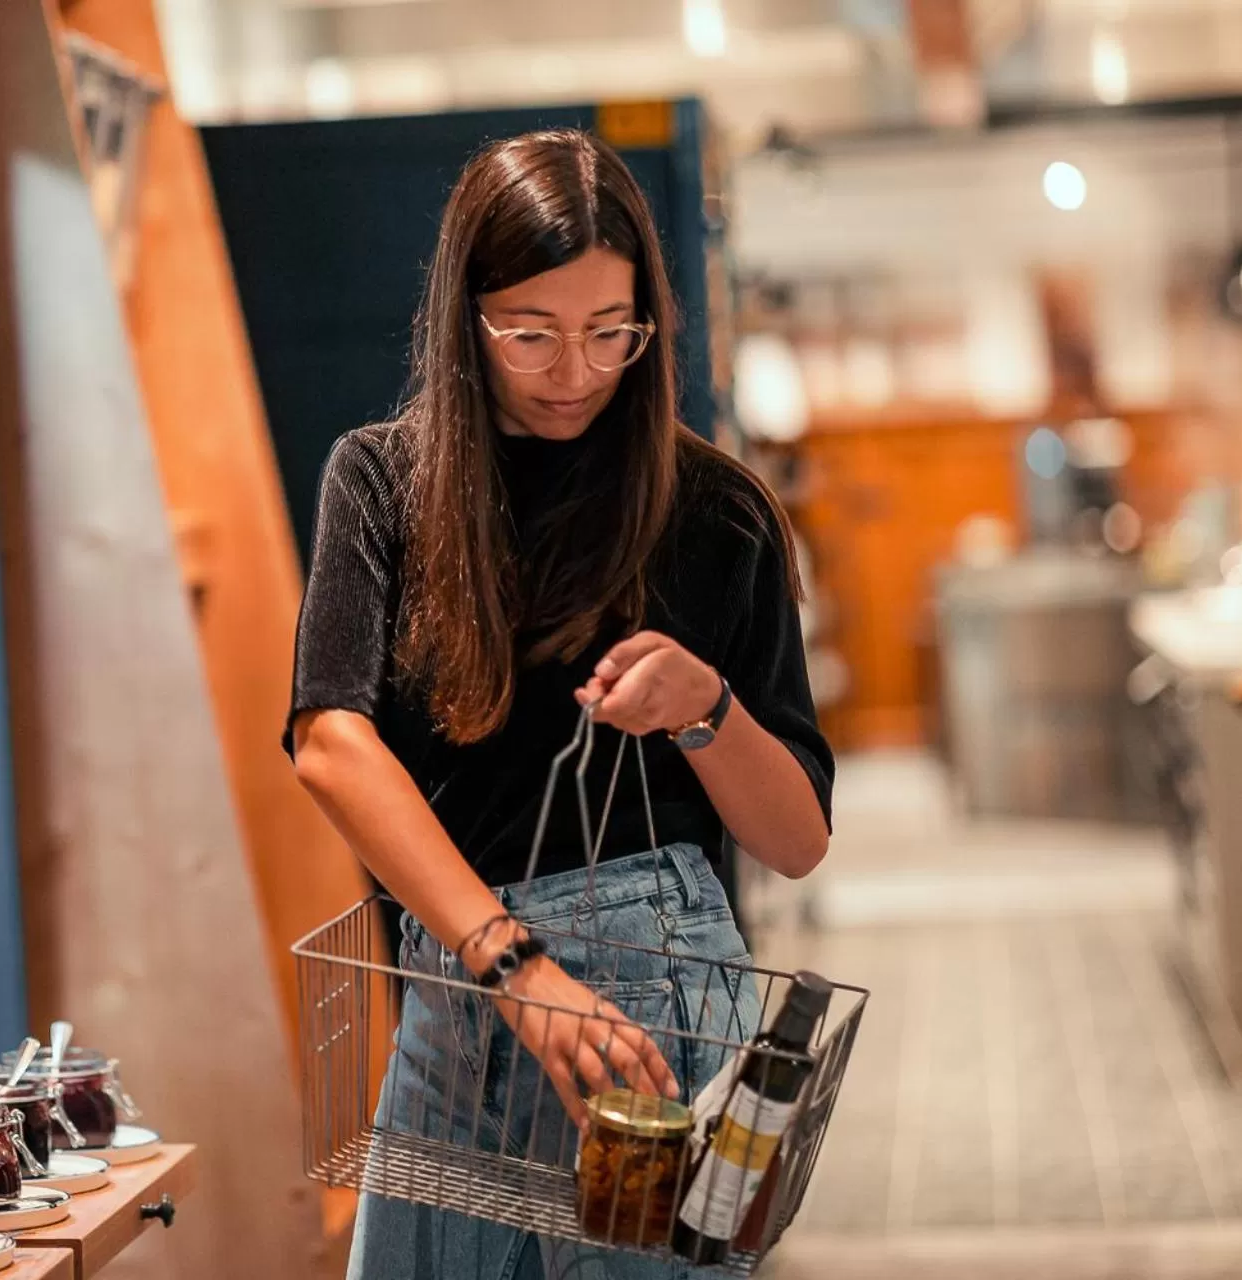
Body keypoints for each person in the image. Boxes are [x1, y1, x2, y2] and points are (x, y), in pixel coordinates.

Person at [285, 128, 835, 1279]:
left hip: (659, 999)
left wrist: (707, 708)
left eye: (609, 332)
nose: (576, 371)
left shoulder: (718, 510)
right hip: (464, 980)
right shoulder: (383, 480)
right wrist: (515, 966)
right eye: (531, 333)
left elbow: (794, 839)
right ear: (464, 317)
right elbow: (330, 740)